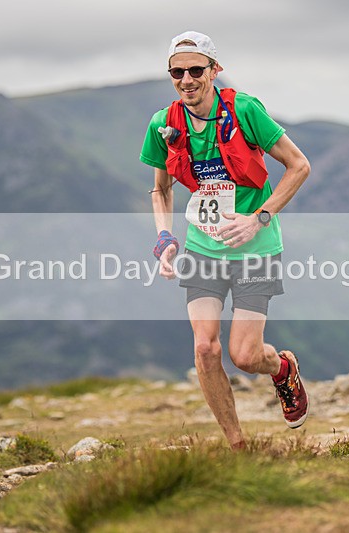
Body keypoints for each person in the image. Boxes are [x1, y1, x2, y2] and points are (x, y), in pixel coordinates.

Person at [140, 31, 311, 450]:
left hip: (255, 247)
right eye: (177, 72)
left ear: (214, 71)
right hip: (203, 248)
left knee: (246, 356)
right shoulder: (164, 124)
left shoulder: (245, 110)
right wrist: (165, 237)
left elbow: (299, 166)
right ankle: (238, 445)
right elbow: (161, 190)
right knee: (204, 347)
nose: (186, 79)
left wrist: (259, 217)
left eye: (196, 70)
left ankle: (282, 368)